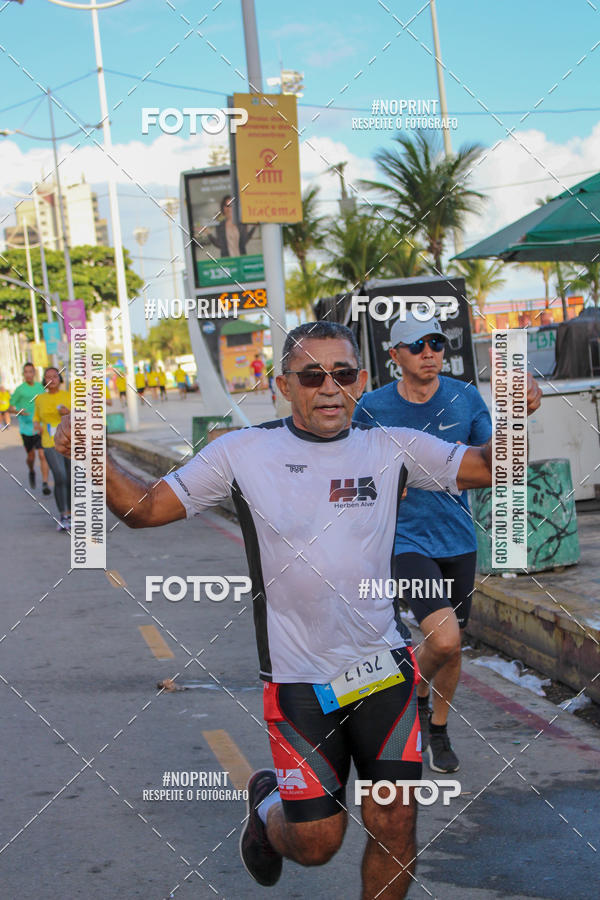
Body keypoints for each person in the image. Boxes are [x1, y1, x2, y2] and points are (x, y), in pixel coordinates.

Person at [55, 322, 541, 898]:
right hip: (299, 682)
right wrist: (91, 452)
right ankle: (266, 809)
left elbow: (490, 467)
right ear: (284, 385)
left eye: (344, 374)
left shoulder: (391, 447)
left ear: (361, 381)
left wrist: (515, 415)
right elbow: (145, 508)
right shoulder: (243, 451)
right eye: (313, 375)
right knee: (317, 845)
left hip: (381, 673)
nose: (330, 387)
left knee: (395, 822)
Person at [354, 311, 492, 774]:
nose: (430, 352)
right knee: (444, 636)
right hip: (404, 540)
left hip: (457, 538)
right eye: (417, 346)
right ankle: (407, 697)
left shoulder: (465, 398)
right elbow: (348, 465)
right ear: (395, 356)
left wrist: (522, 413)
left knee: (452, 647)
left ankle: (436, 725)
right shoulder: (372, 407)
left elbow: (493, 458)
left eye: (436, 343)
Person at [34, 366, 71, 530]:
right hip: (49, 442)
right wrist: (37, 426)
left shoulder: (68, 396)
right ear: (44, 380)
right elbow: (36, 418)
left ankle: (70, 514)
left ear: (60, 379)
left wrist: (67, 412)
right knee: (60, 476)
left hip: (69, 441)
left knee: (70, 479)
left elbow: (79, 416)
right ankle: (63, 515)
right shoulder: (40, 399)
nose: (52, 379)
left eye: (55, 376)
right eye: (48, 377)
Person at [10, 362, 52, 493]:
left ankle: (45, 483)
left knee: (42, 454)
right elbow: (10, 407)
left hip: (39, 427)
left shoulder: (40, 387)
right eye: (26, 372)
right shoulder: (20, 389)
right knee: (31, 457)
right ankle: (31, 470)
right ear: (24, 374)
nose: (28, 374)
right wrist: (18, 410)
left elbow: (46, 403)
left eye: (30, 372)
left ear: (34, 373)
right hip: (26, 428)